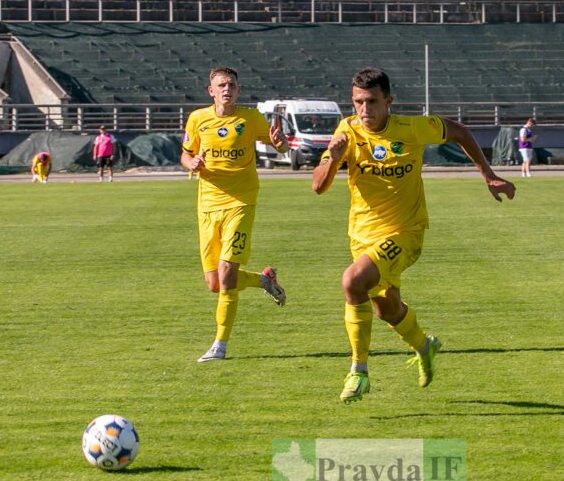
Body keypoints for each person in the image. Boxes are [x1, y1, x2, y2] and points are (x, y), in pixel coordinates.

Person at [312, 68, 516, 403]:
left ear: (388, 101)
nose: (364, 110)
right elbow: (318, 186)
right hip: (362, 236)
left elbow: (461, 132)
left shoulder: (413, 128)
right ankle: (424, 346)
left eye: (372, 102)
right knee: (386, 308)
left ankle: (358, 372)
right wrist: (332, 160)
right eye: (358, 102)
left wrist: (489, 176)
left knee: (351, 281)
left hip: (406, 233)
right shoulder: (346, 131)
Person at [181, 66, 290, 363]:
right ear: (211, 91)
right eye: (221, 84)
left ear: (239, 90)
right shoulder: (198, 119)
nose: (227, 89)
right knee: (214, 283)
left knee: (227, 275)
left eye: (231, 84)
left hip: (241, 202)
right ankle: (264, 280)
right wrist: (192, 163)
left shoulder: (251, 119)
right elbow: (185, 153)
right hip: (207, 206)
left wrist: (280, 141)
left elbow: (279, 145)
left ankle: (220, 345)